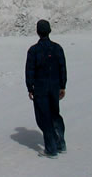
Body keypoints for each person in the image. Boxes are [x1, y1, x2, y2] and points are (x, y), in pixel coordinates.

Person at [25, 19, 67, 158]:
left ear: (37, 32)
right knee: (55, 113)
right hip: (55, 86)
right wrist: (62, 86)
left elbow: (30, 70)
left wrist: (30, 87)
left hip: (41, 87)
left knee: (44, 116)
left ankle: (51, 148)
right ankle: (60, 143)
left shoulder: (34, 50)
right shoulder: (57, 48)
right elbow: (62, 68)